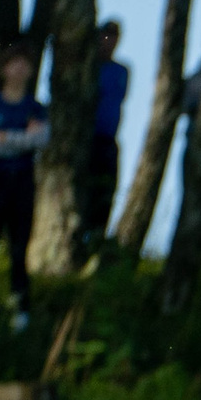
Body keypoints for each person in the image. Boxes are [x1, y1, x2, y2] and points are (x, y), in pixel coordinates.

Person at [0, 43, 49, 333]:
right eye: (14, 63)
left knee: (19, 248)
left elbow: (40, 141)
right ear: (4, 69)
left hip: (22, 184)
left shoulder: (35, 107)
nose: (19, 69)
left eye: (24, 64)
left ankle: (20, 308)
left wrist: (4, 138)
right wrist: (19, 139)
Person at [84, 20, 130, 243]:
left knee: (105, 193)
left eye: (113, 37)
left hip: (108, 139)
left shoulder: (121, 71)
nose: (109, 41)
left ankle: (97, 238)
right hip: (86, 140)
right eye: (105, 36)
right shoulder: (87, 69)